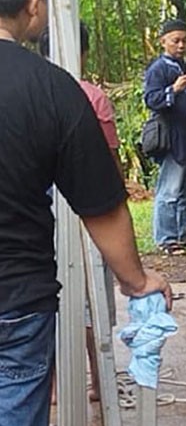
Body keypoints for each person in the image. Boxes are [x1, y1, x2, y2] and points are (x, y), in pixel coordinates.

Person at [0, 0, 172, 426]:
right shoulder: (53, 89)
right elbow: (100, 204)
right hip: (17, 302)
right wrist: (137, 280)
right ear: (34, 2)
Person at [40, 22, 123, 405]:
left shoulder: (27, 90)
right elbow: (108, 158)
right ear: (83, 52)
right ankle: (97, 380)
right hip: (88, 206)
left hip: (40, 211)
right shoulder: (91, 96)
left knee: (46, 298)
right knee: (94, 299)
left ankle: (53, 387)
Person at [143, 19, 186, 255]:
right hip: (171, 138)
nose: (181, 45)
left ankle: (183, 236)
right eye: (175, 40)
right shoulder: (158, 69)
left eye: (184, 41)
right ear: (163, 42)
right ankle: (167, 239)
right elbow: (151, 99)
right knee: (169, 192)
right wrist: (173, 90)